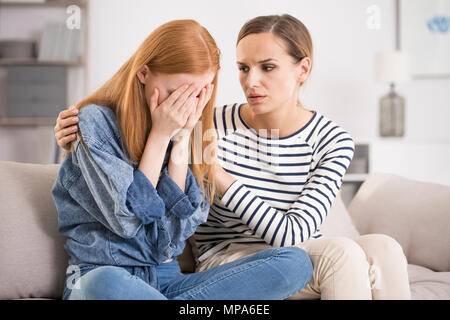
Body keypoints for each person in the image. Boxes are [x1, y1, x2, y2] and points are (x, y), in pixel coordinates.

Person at [54, 15, 411, 300]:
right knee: (105, 285)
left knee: (341, 255)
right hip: (130, 271)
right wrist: (165, 137)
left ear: (303, 70)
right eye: (243, 68)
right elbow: (131, 221)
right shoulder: (198, 124)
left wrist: (192, 152)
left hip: (194, 273)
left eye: (267, 68)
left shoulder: (196, 126)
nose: (251, 81)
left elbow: (168, 242)